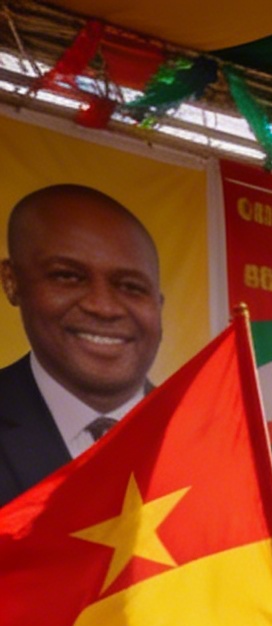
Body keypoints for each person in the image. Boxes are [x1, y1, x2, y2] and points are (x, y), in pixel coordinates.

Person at [0, 183, 163, 504]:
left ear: (158, 304)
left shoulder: (214, 443)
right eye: (68, 277)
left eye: (131, 286)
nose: (103, 307)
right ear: (12, 282)